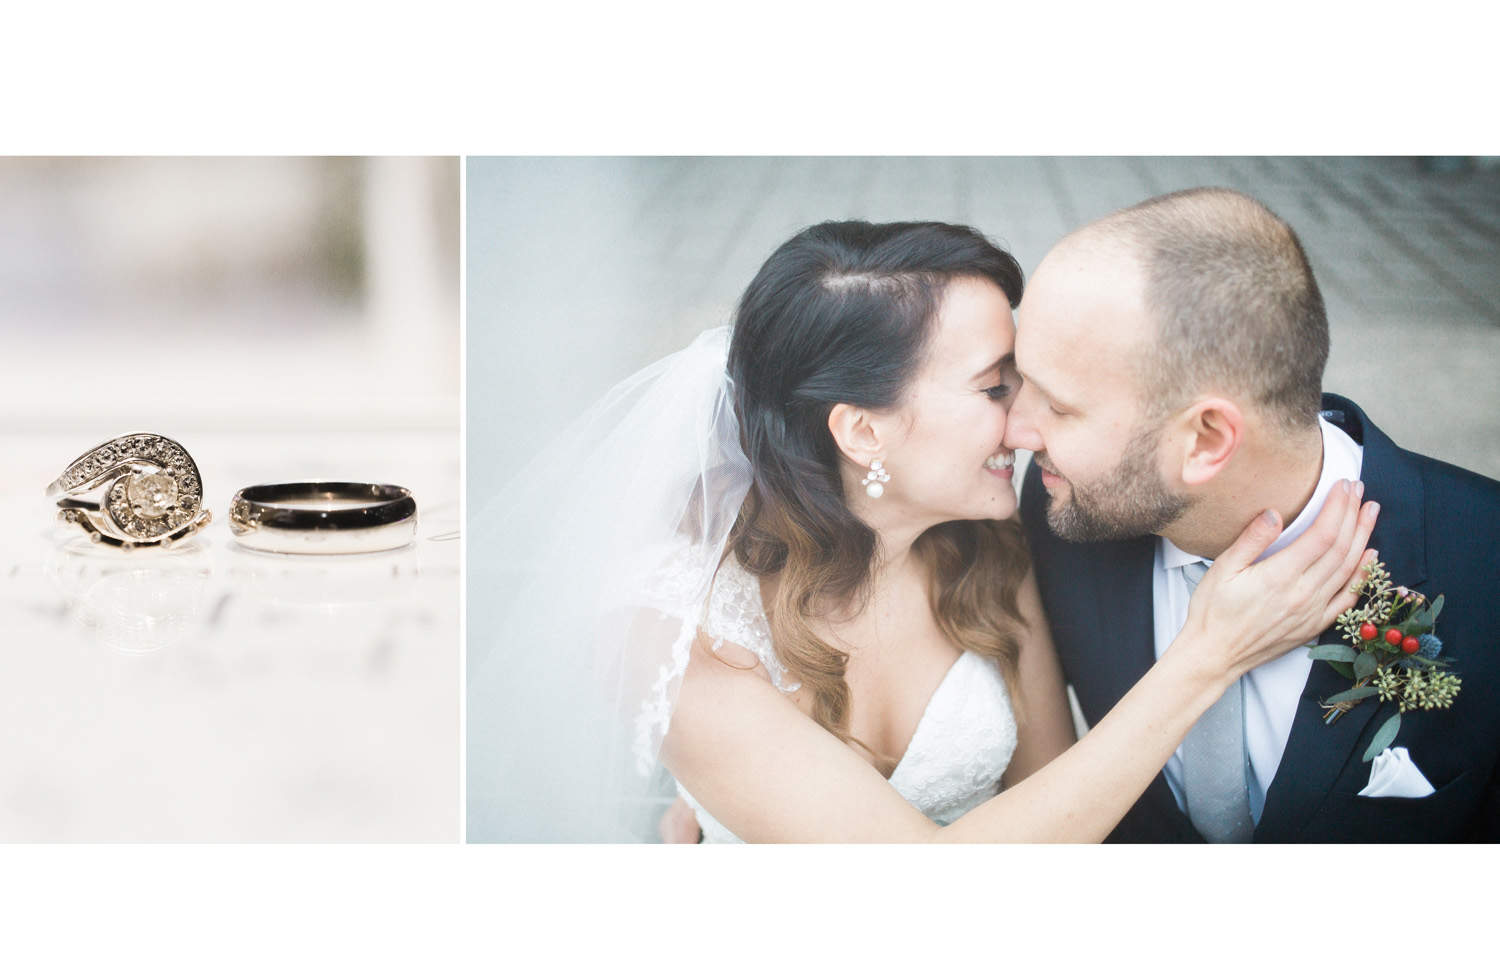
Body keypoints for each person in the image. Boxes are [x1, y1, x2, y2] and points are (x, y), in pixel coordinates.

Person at [469, 219, 1376, 843]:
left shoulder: (984, 544)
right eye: (994, 388)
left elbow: (1052, 799)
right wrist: (1205, 657)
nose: (1028, 424)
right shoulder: (674, 631)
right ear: (862, 429)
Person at [1010, 187, 1500, 842]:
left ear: (1207, 440)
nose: (1016, 430)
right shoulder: (1063, 505)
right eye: (1022, 383)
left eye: (1059, 407)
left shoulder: (1484, 561)